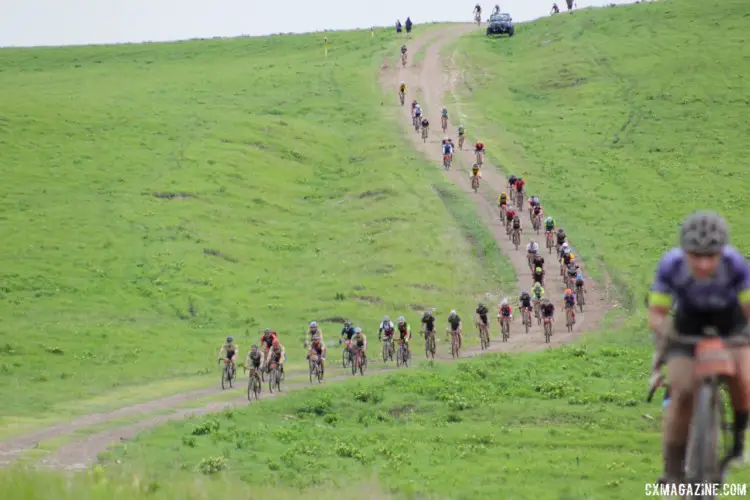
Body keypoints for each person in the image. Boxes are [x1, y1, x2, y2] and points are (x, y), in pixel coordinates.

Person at [648, 212, 750, 483]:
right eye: (696, 255)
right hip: (687, 327)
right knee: (681, 393)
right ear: (684, 251)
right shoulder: (671, 265)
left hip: (731, 326)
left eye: (711, 255)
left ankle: (738, 439)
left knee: (743, 378)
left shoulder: (735, 264)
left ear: (722, 252)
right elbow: (657, 313)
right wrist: (664, 334)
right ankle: (672, 470)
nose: (704, 263)